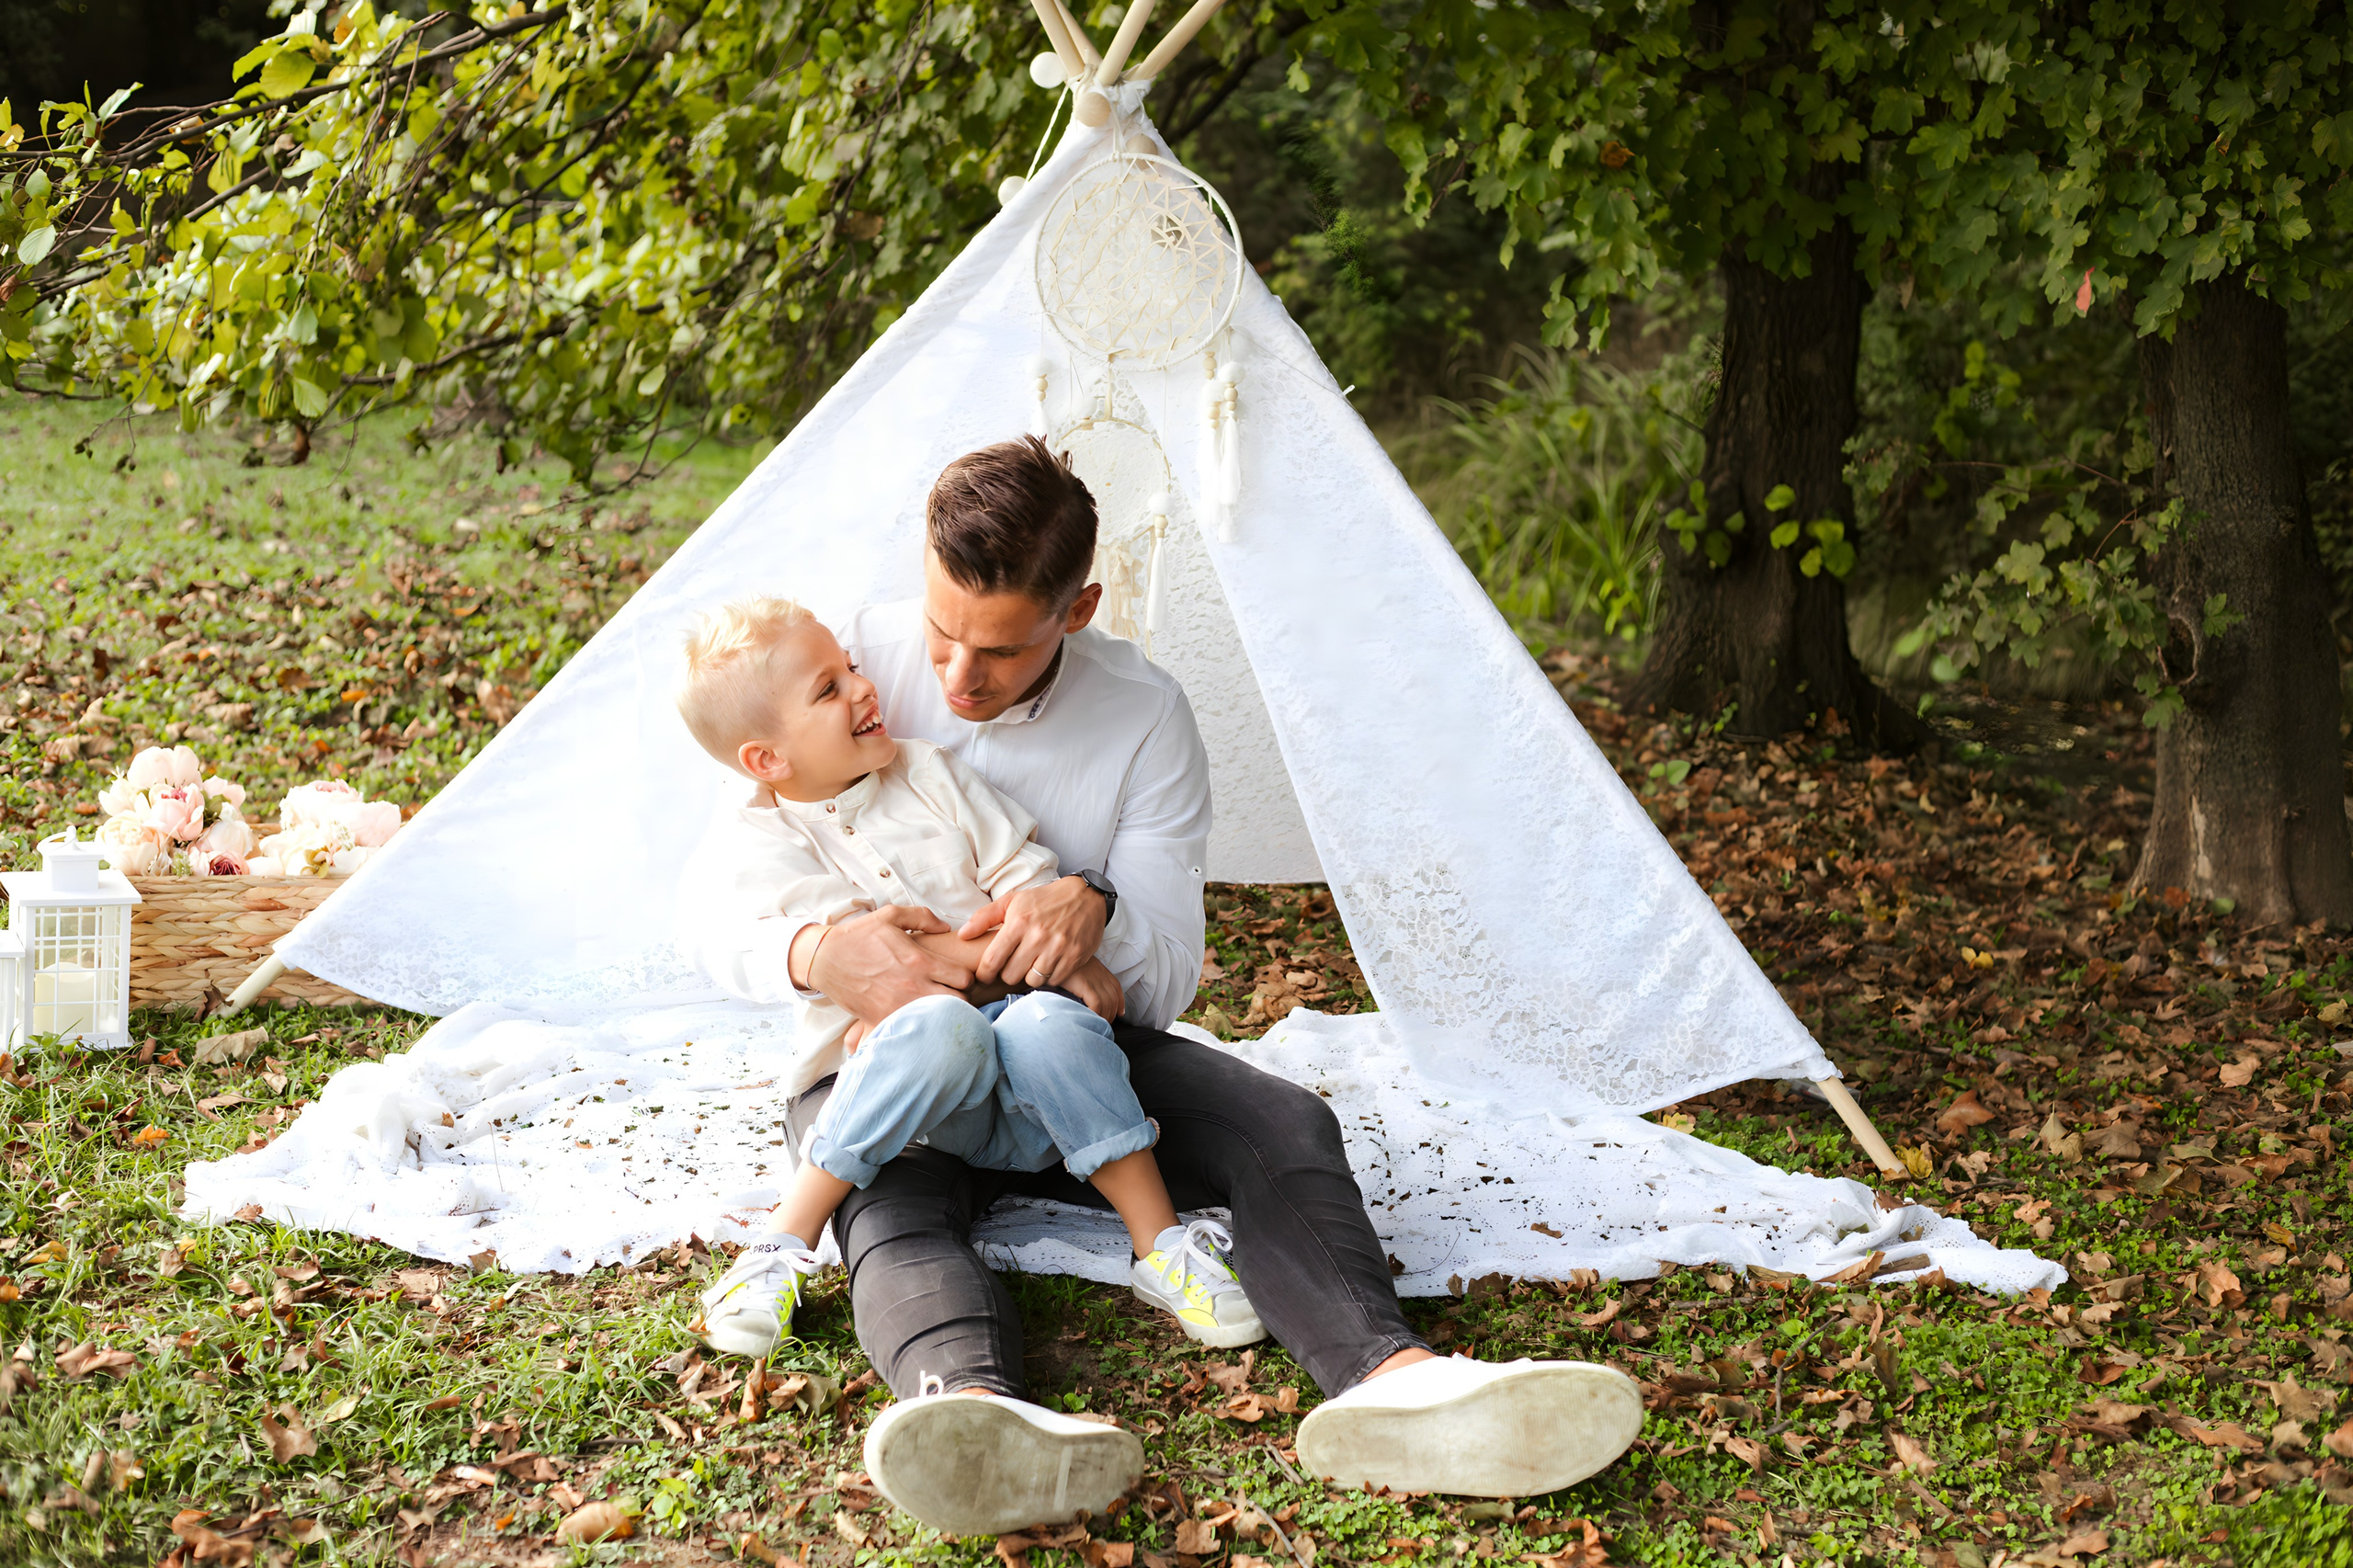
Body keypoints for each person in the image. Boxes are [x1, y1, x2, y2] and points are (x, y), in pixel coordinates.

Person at [684, 438, 1642, 1535]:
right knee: (893, 1203)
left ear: (1077, 607)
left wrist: (1092, 909)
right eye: (942, 632)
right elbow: (716, 906)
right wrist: (818, 953)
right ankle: (973, 1415)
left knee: (1280, 1120)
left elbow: (1166, 969)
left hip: (1059, 1047)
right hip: (893, 1058)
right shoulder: (843, 669)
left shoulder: (1145, 719)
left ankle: (1393, 1379)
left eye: (996, 651)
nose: (953, 679)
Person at [672, 597, 1263, 1356]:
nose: (861, 687)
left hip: (1029, 1092)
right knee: (936, 1026)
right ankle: (781, 1245)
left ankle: (1162, 1250)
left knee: (1049, 1021)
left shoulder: (929, 773)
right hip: (913, 1110)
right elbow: (887, 982)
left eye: (850, 668)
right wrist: (987, 964)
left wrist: (1052, 951)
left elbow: (1023, 886)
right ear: (767, 759)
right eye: (828, 688)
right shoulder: (762, 845)